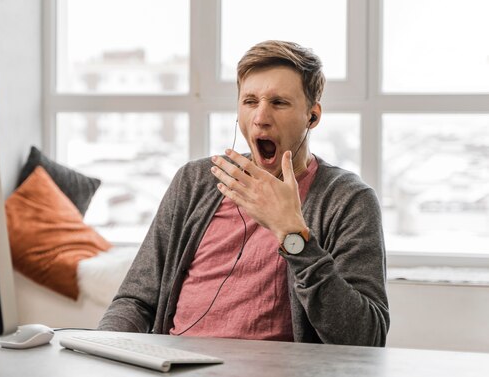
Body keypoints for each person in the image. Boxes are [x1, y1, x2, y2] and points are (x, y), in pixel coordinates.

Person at [98, 40, 389, 346]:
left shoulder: (348, 200)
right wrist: (100, 352)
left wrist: (293, 235)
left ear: (312, 116)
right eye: (250, 101)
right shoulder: (196, 182)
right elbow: (135, 301)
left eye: (278, 103)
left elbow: (366, 338)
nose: (260, 118)